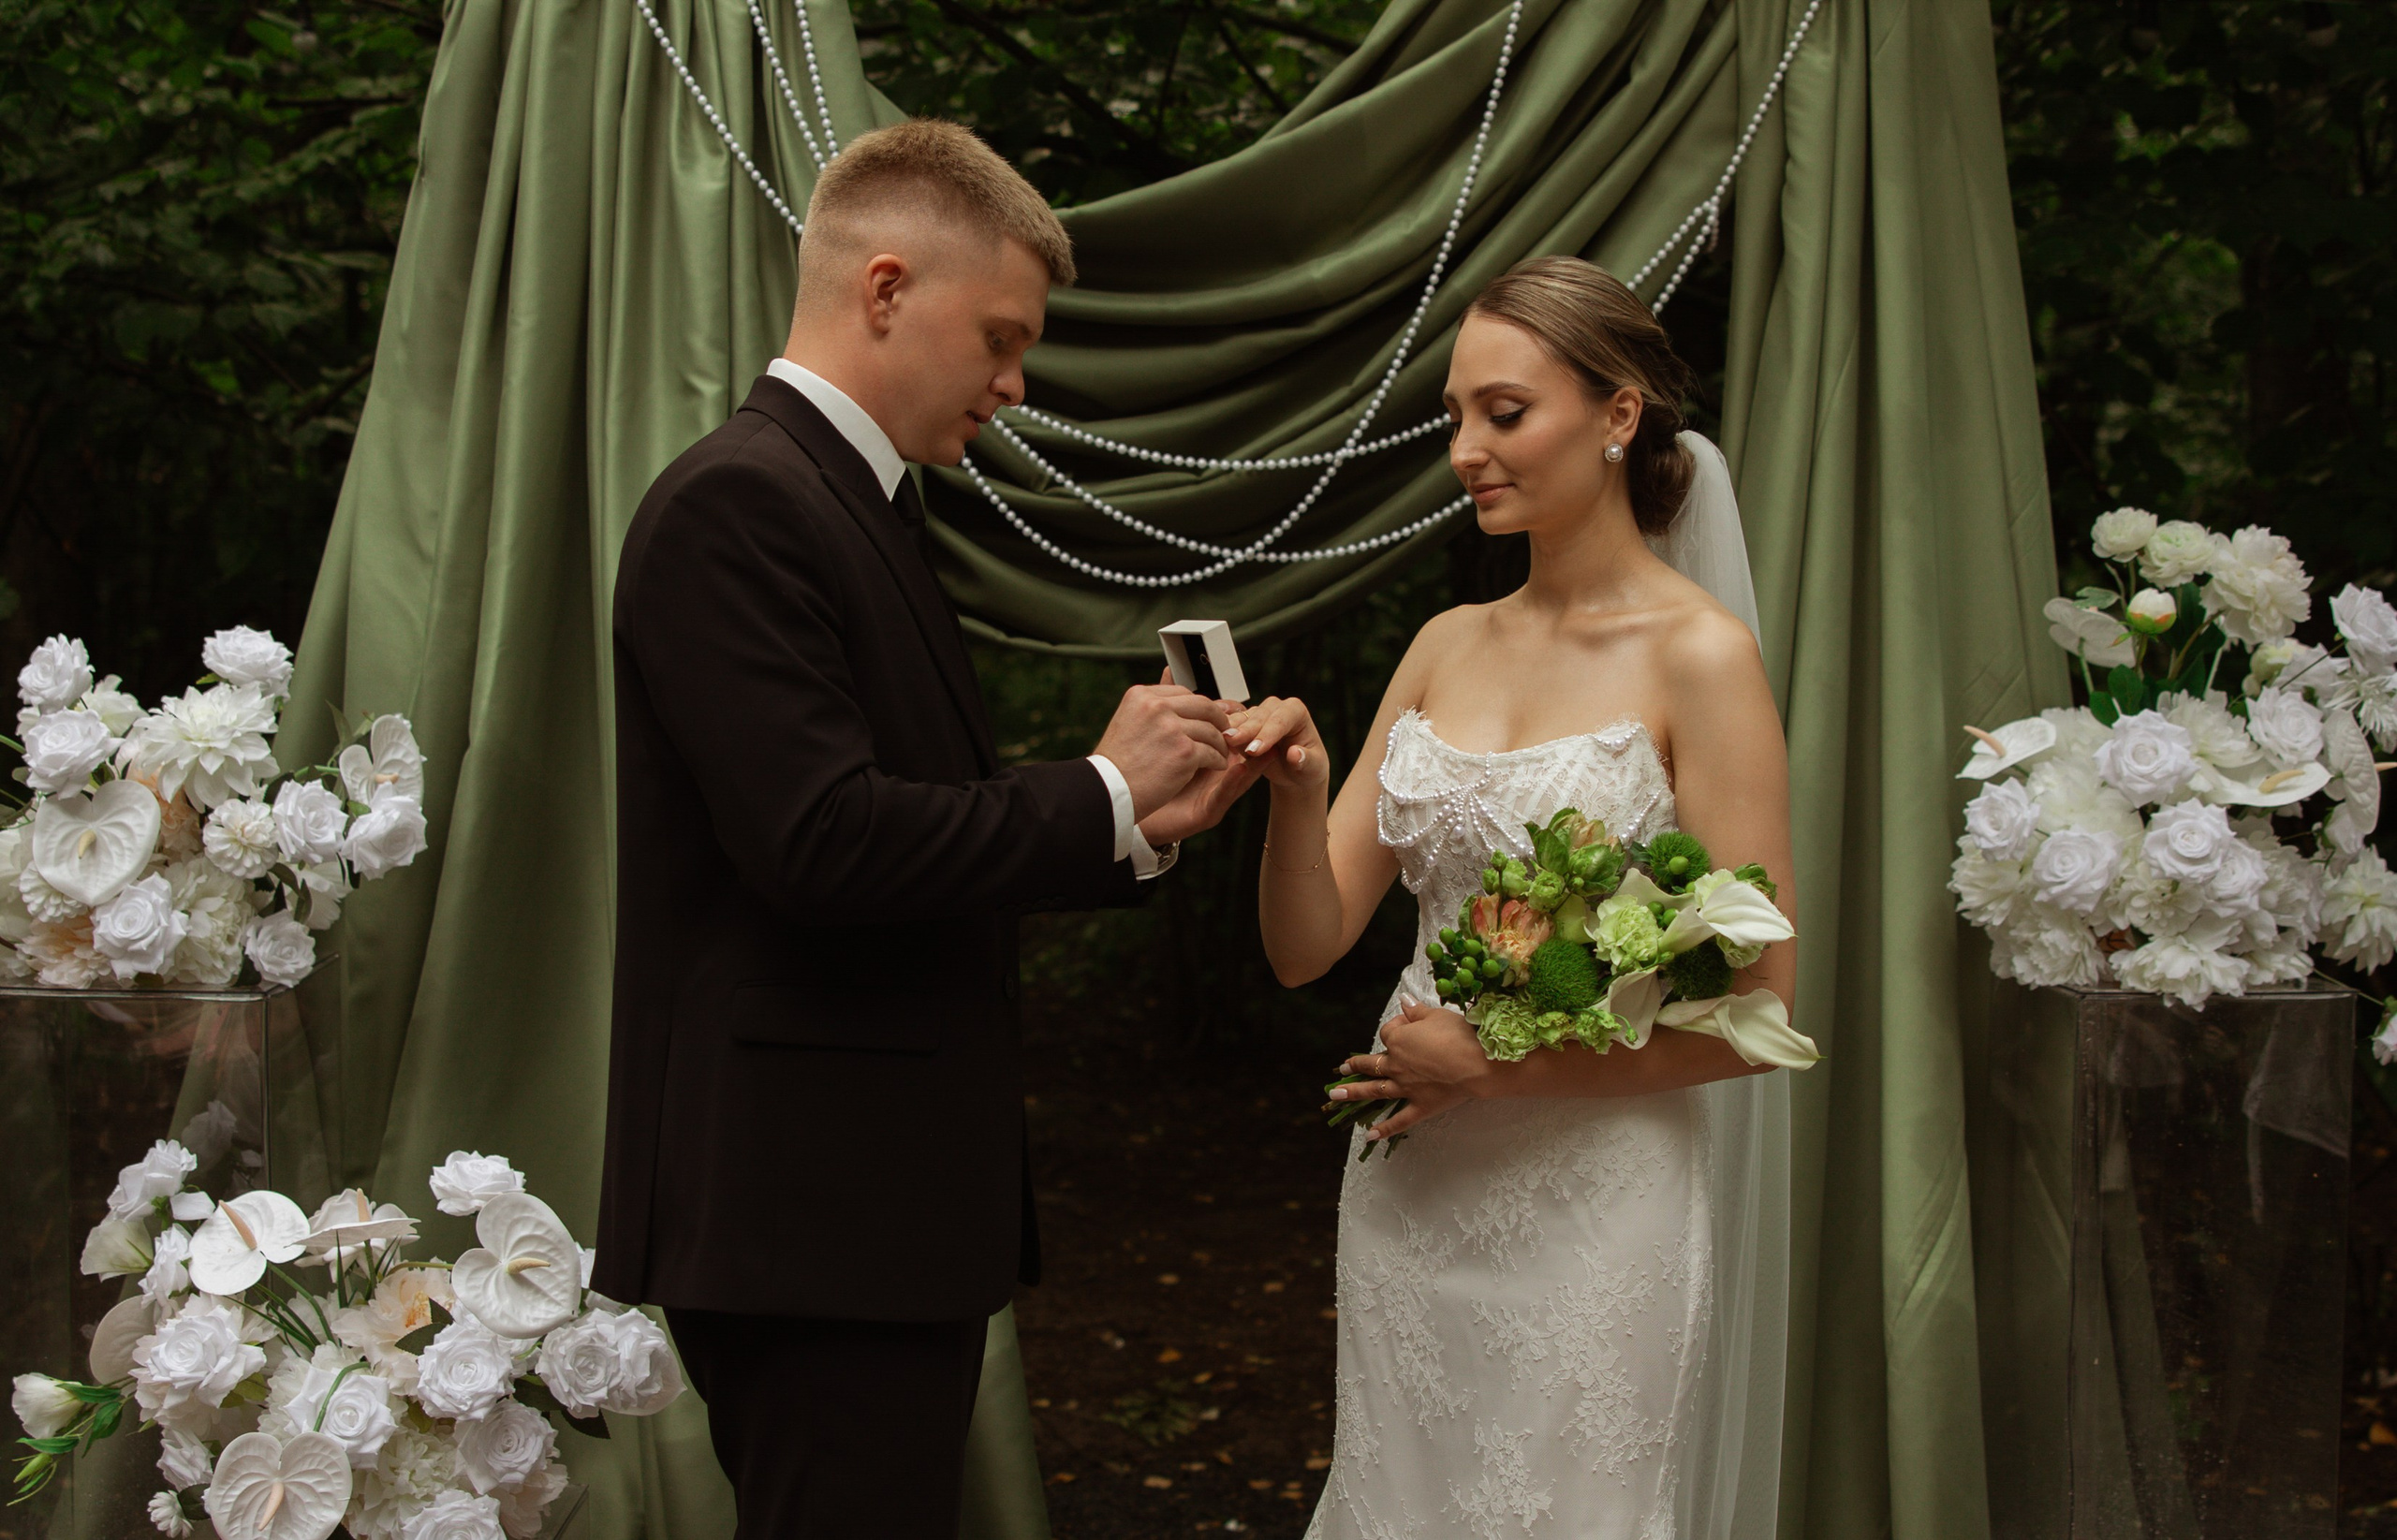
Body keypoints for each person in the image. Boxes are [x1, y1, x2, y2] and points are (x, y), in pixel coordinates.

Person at [594, 120, 1256, 1538]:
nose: (1015, 385)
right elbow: (823, 842)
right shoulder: (738, 505)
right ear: (885, 289)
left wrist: (1136, 820)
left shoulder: (855, 503)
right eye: (1002, 337)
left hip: (863, 1213)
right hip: (807, 1214)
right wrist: (1092, 789)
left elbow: (899, 820)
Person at [1230, 256, 1801, 1539]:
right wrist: (1295, 792)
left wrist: (1496, 1059)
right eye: (1453, 417)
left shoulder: (1700, 657)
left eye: (1504, 412)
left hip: (1600, 1208)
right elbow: (1306, 944)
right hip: (1413, 1188)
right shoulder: (1445, 644)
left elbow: (1759, 1005)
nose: (1466, 451)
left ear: (1617, 414)